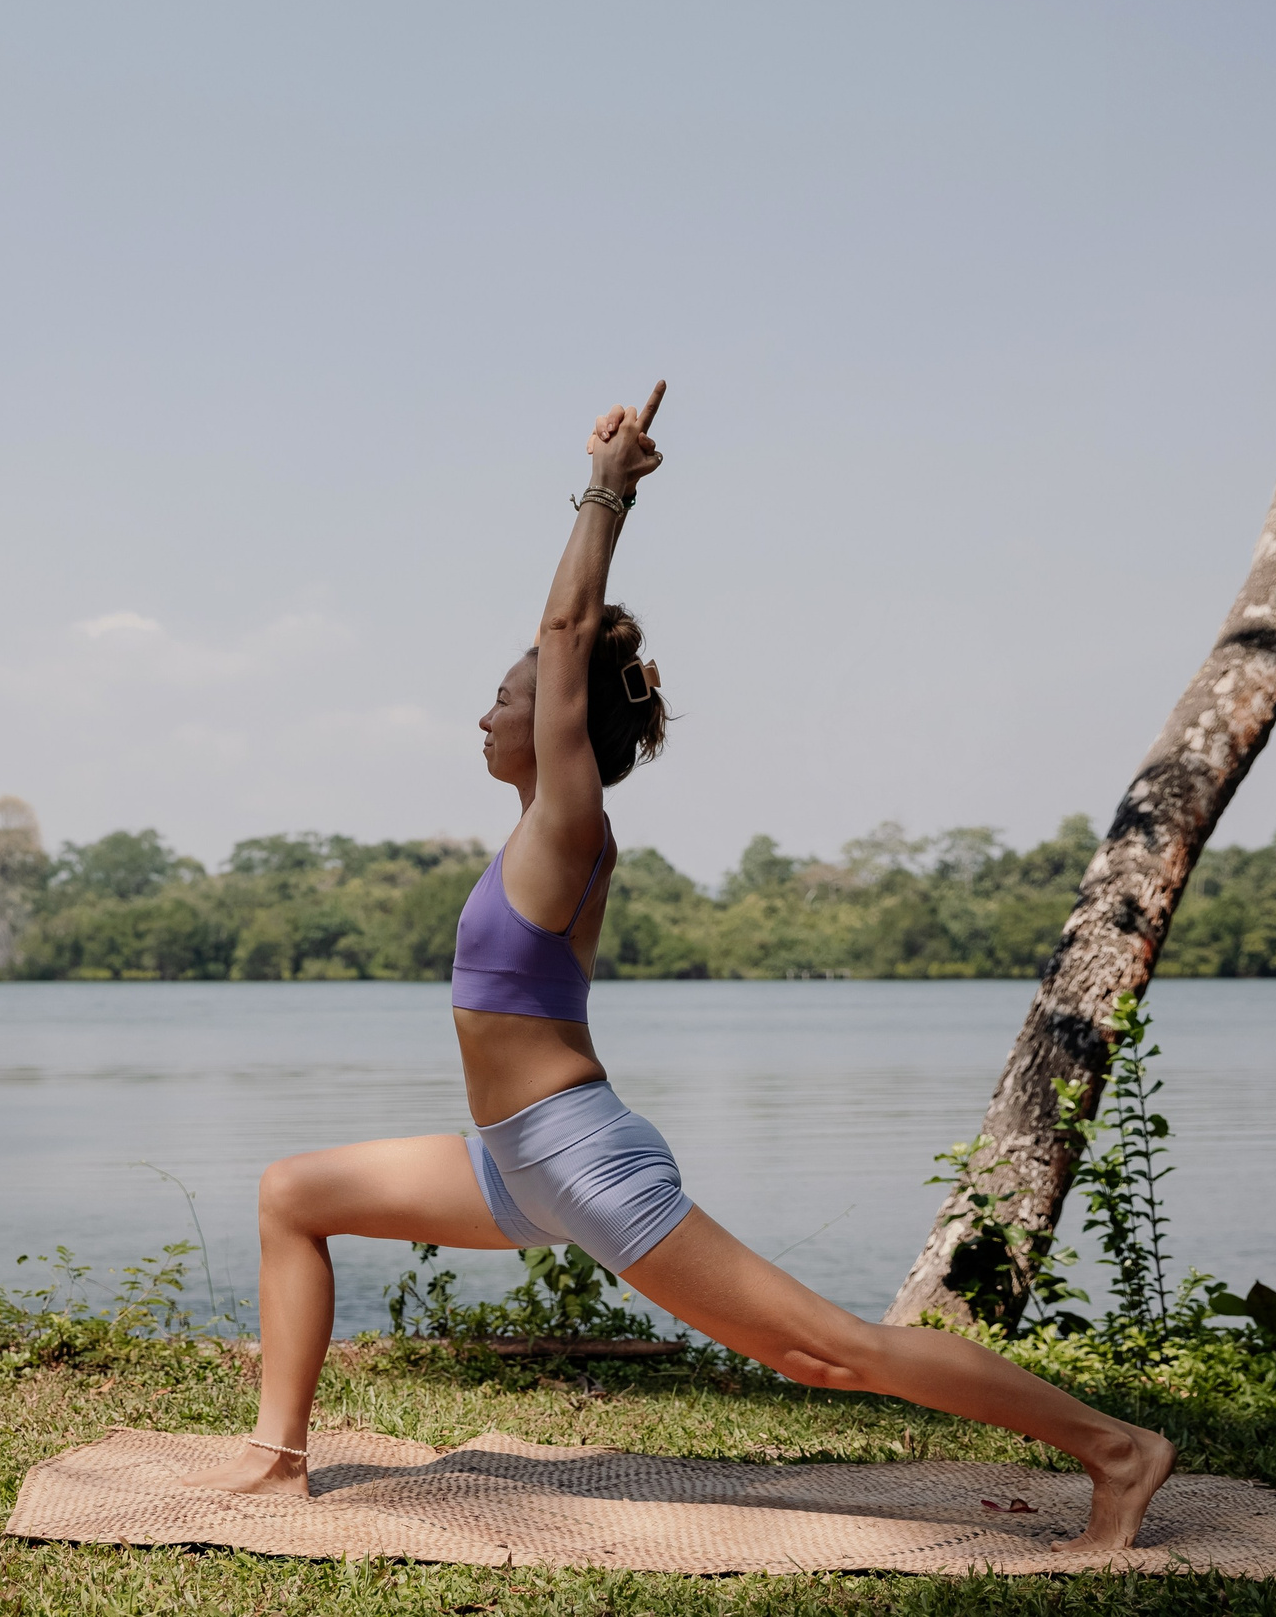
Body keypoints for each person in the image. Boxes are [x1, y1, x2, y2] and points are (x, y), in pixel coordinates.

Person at [181, 395, 1178, 1553]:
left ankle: (1118, 1447)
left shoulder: (567, 820)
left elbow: (562, 639)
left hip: (578, 1156)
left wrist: (609, 485)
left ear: (558, 723)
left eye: (505, 697)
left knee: (825, 1352)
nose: (487, 711)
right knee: (293, 1191)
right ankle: (273, 1457)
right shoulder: (532, 832)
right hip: (514, 1162)